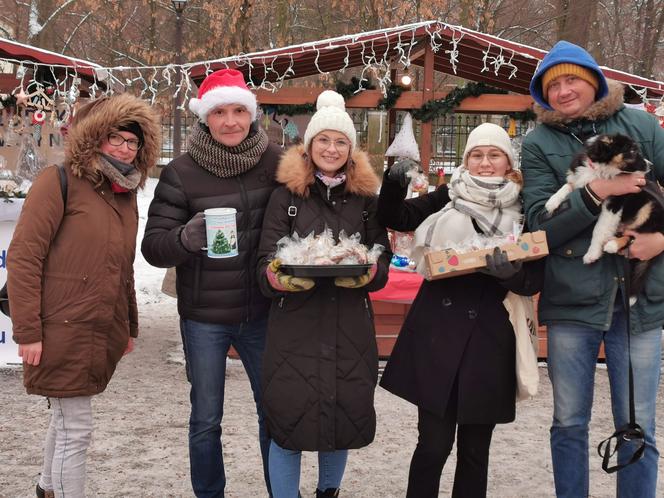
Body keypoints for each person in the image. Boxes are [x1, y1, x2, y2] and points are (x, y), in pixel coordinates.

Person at [521, 40, 664, 498]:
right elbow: (540, 224)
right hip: (572, 296)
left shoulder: (640, 123)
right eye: (553, 85)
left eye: (571, 79)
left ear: (593, 80)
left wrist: (662, 239)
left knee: (638, 421)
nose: (563, 91)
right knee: (568, 420)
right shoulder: (539, 142)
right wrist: (598, 190)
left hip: (641, 299)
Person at [378, 123, 544, 498]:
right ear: (466, 161)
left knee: (475, 451)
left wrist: (511, 276)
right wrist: (393, 181)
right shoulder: (447, 196)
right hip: (439, 334)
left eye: (494, 155)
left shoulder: (525, 206)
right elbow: (397, 218)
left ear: (508, 162)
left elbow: (535, 278)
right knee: (433, 446)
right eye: (476, 155)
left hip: (490, 340)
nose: (485, 163)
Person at [7, 93, 160, 498]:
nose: (126, 148)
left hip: (96, 328)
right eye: (116, 138)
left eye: (133, 142)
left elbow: (122, 268)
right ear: (94, 137)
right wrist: (28, 331)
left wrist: (128, 326)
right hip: (58, 328)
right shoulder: (57, 182)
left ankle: (46, 487)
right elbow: (24, 258)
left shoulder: (124, 195)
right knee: (77, 428)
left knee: (64, 419)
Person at [141, 68, 281, 497]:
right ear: (206, 118)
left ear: (252, 115)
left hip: (263, 309)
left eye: (239, 110)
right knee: (206, 418)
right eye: (220, 112)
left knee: (273, 412)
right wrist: (185, 238)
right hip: (204, 317)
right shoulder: (181, 172)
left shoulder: (277, 163)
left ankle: (280, 489)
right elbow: (153, 247)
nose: (231, 121)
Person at [256, 90, 391, 498]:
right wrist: (280, 277)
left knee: (341, 420)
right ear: (309, 146)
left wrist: (367, 275)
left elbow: (381, 262)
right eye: (323, 140)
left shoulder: (367, 200)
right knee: (288, 422)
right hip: (294, 329)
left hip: (350, 326)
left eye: (340, 142)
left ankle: (328, 491)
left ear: (350, 150)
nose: (331, 149)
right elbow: (264, 264)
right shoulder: (286, 197)